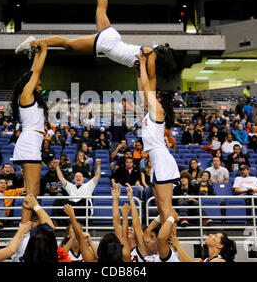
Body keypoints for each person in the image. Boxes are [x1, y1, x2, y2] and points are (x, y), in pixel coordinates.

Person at [15, 0, 178, 92]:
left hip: (113, 39)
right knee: (68, 44)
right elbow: (151, 81)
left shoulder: (148, 56)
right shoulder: (151, 56)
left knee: (101, 11)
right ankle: (32, 42)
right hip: (109, 44)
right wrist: (151, 96)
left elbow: (140, 74)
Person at [135, 52, 180, 227]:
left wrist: (144, 61)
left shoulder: (158, 111)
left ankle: (172, 244)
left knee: (166, 209)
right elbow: (142, 91)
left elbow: (147, 88)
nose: (147, 99)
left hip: (161, 160)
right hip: (156, 161)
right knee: (163, 210)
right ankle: (164, 240)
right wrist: (138, 71)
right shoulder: (149, 112)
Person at [12, 40, 49, 224]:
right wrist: (44, 51)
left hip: (32, 143)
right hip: (29, 143)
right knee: (32, 192)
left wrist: (37, 53)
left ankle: (27, 225)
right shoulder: (26, 95)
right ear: (30, 84)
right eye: (37, 82)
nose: (39, 83)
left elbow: (34, 72)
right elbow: (36, 73)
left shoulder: (31, 95)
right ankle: (24, 227)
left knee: (35, 191)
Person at [64, 202, 131, 262]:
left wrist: (71, 215)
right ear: (118, 247)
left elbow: (80, 237)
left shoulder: (95, 260)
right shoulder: (125, 257)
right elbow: (122, 232)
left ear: (101, 249)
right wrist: (125, 215)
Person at [169, 231, 237, 262]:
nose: (210, 234)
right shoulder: (206, 259)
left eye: (215, 236)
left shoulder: (220, 260)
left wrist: (177, 244)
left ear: (220, 245)